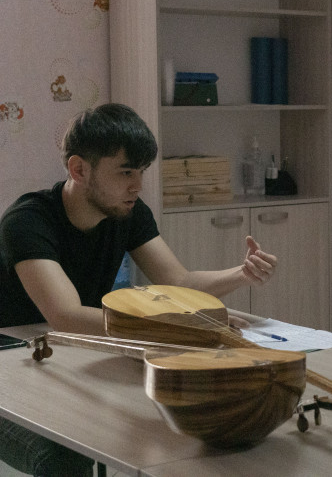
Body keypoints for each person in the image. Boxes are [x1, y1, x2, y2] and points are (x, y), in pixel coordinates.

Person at [0, 103, 277, 476]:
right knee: (64, 457)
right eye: (125, 172)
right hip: (10, 358)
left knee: (179, 428)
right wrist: (186, 327)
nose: (138, 185)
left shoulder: (126, 211)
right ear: (79, 169)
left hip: (66, 352)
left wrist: (241, 274)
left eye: (141, 171)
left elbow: (179, 283)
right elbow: (66, 316)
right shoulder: (27, 222)